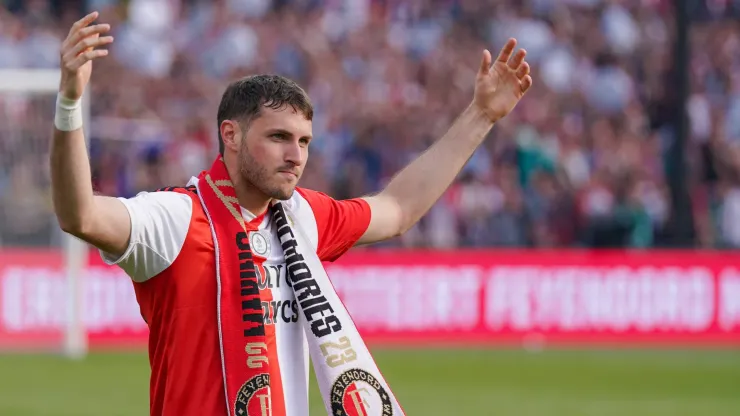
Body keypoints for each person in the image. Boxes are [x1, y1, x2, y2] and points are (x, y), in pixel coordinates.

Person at [50, 11, 532, 416]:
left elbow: (399, 208)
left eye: (303, 142)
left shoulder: (303, 217)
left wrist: (481, 116)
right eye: (278, 137)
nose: (296, 156)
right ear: (231, 136)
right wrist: (71, 102)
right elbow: (81, 216)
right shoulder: (176, 217)